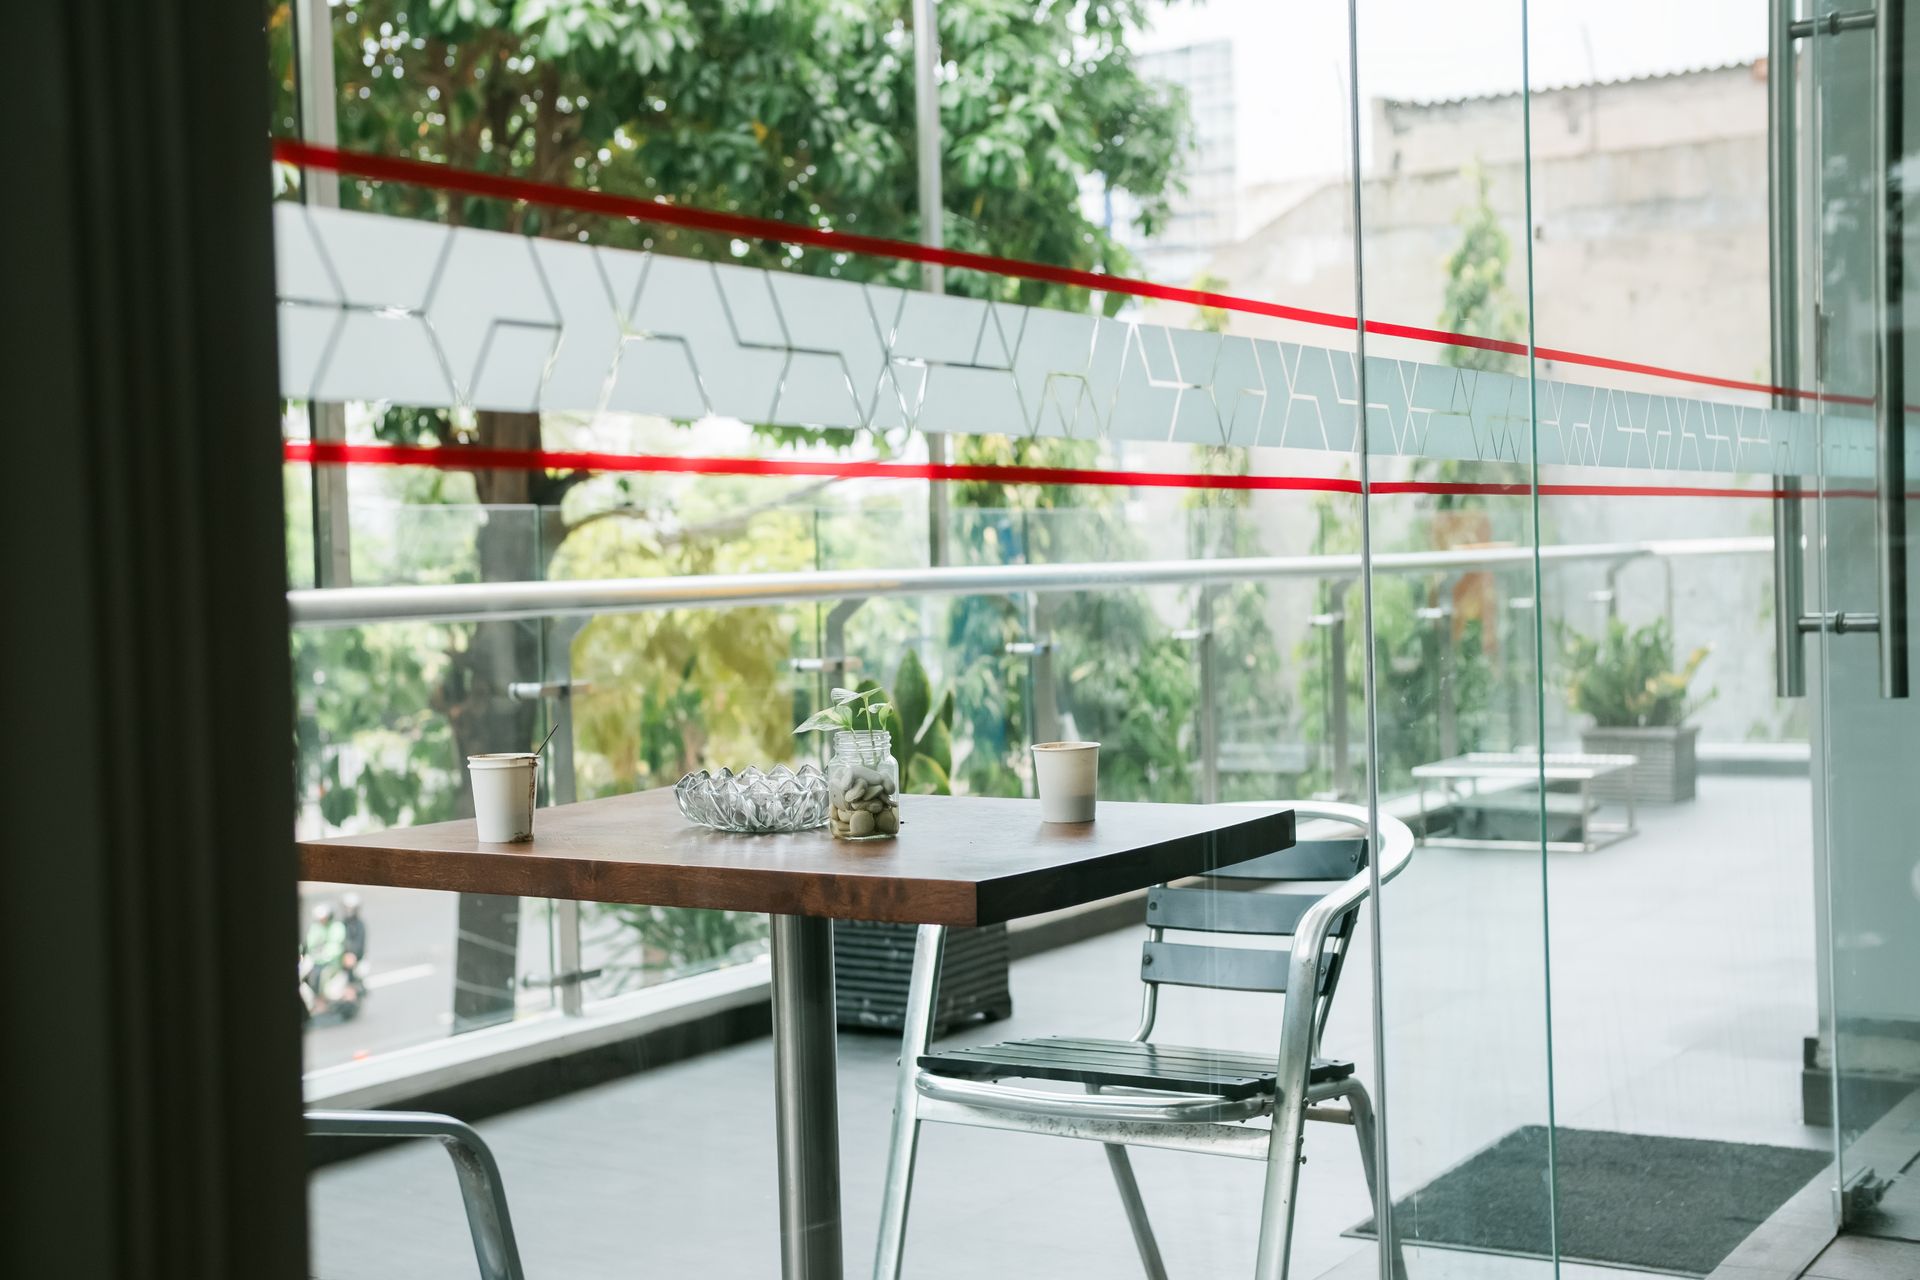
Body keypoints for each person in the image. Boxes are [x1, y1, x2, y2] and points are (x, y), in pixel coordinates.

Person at [339, 893, 367, 993]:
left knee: (356, 975)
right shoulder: (341, 924)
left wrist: (351, 954)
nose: (349, 911)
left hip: (356, 959)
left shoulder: (360, 925)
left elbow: (359, 945)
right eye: (347, 908)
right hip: (340, 957)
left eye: (351, 908)